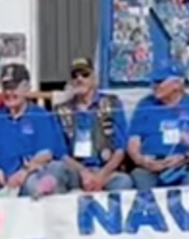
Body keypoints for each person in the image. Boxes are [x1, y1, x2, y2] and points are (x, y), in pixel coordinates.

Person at [0, 63, 67, 199]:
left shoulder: (40, 116)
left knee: (34, 185)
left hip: (30, 173)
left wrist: (24, 172)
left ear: (26, 88)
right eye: (5, 88)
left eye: (13, 88)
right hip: (2, 178)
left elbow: (45, 153)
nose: (9, 93)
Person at [126, 63, 189, 190]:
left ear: (177, 84)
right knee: (139, 177)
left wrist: (185, 157)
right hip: (151, 165)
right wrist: (141, 160)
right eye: (153, 82)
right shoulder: (145, 104)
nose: (154, 86)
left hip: (184, 164)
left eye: (159, 82)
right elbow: (133, 141)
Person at [53, 57, 134, 193]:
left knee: (124, 182)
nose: (79, 79)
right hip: (77, 171)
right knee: (56, 170)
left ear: (94, 78)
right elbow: (60, 152)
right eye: (75, 76)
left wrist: (100, 176)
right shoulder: (61, 110)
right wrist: (83, 172)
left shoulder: (112, 103)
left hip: (105, 169)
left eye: (85, 75)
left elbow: (121, 148)